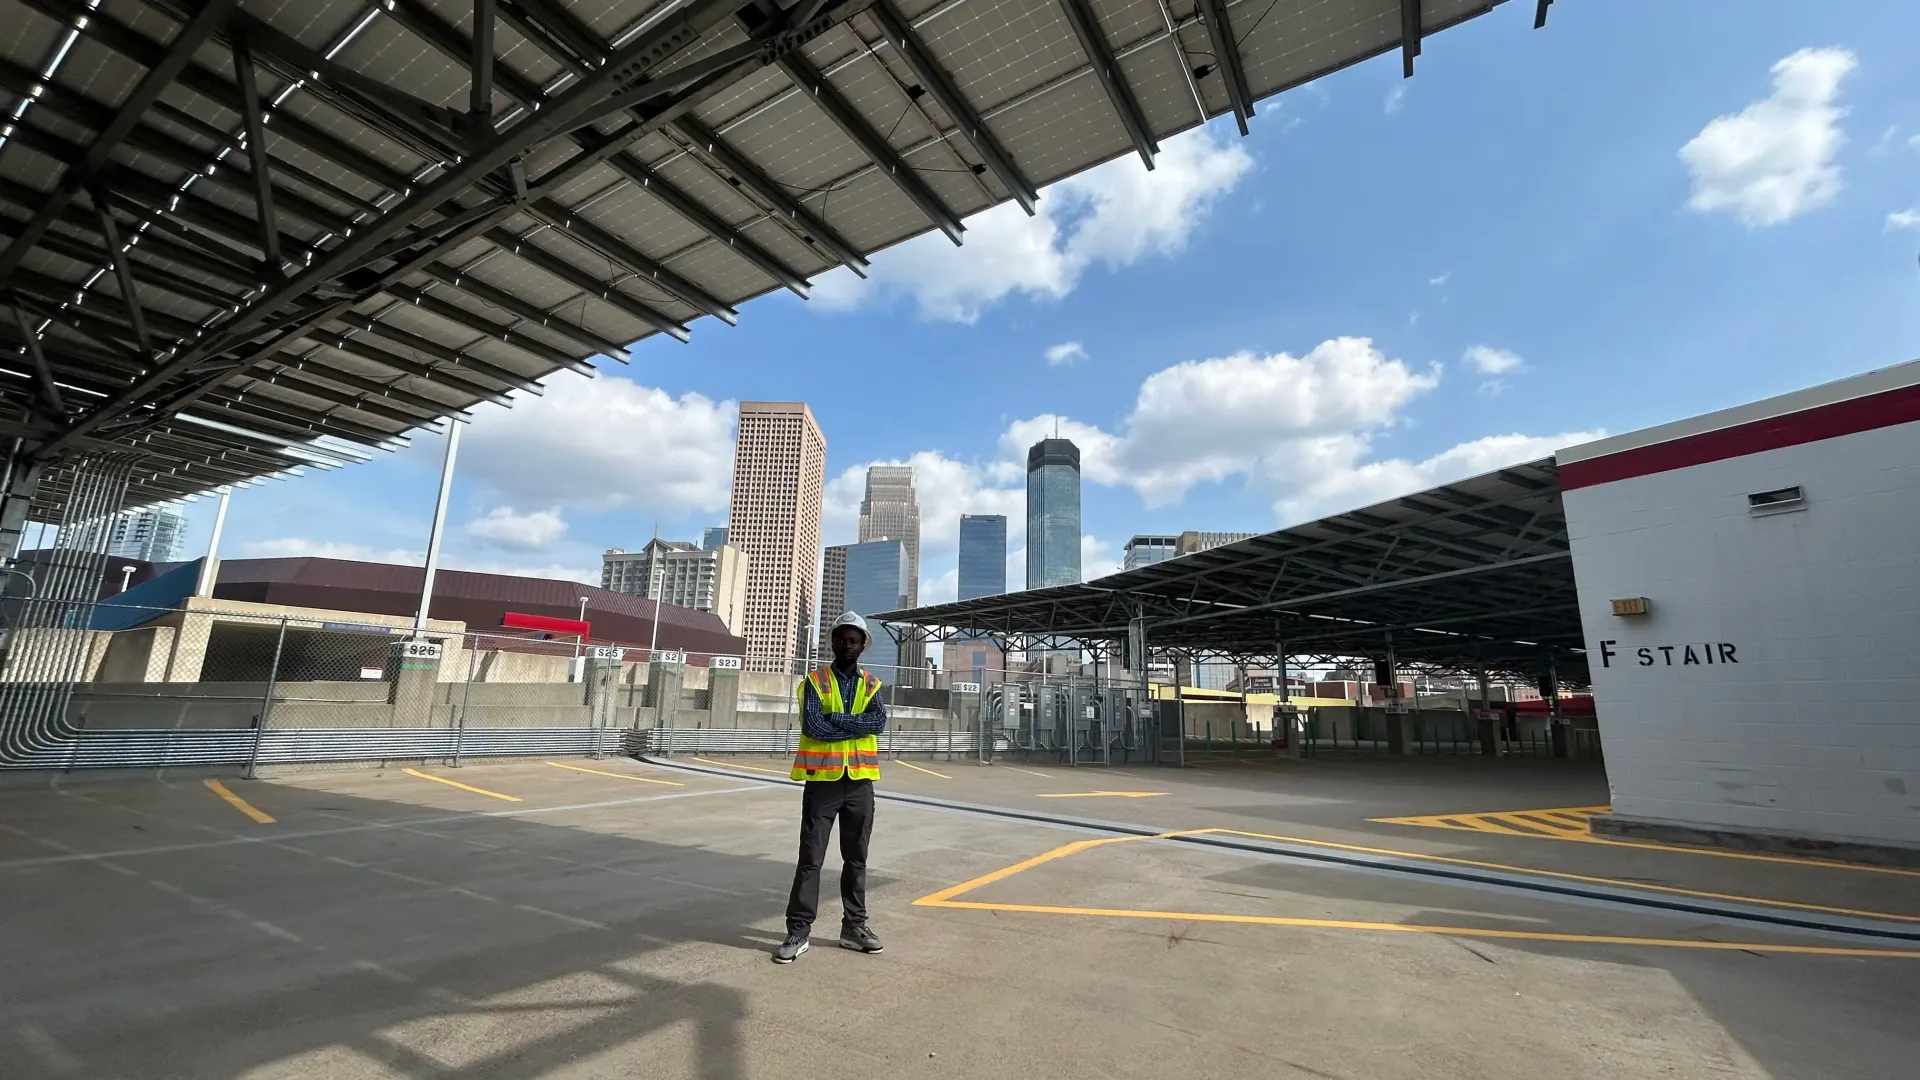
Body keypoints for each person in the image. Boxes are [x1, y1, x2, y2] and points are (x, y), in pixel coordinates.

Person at [773, 611, 888, 964]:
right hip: (823, 784)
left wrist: (837, 718)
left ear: (863, 645)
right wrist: (855, 725)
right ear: (833, 641)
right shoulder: (815, 681)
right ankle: (798, 930)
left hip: (859, 784)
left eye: (854, 640)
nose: (847, 645)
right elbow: (814, 727)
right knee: (811, 858)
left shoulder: (871, 684)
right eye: (841, 638)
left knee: (857, 859)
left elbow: (879, 722)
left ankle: (854, 926)